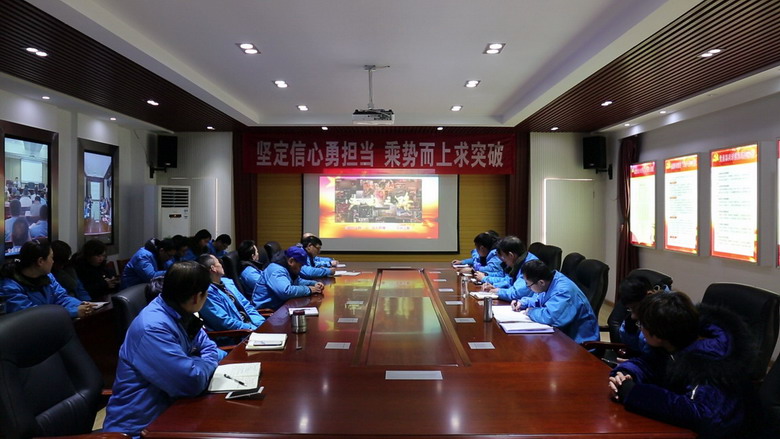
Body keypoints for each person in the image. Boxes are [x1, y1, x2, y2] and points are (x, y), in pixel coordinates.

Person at [103, 261, 226, 437]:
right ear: (196, 298)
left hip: (175, 412)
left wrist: (198, 362)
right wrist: (205, 362)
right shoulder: (152, 328)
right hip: (140, 429)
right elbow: (191, 382)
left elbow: (207, 346)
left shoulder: (180, 311)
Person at [608, 291, 754, 438]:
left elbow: (702, 414)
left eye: (641, 325)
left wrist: (635, 393)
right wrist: (626, 374)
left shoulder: (709, 362)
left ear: (657, 336)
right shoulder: (675, 340)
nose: (639, 327)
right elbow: (650, 363)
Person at [511, 259, 599, 344]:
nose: (527, 287)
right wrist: (523, 302)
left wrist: (530, 312)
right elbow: (539, 299)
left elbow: (551, 317)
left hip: (580, 344)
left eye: (528, 284)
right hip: (563, 336)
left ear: (541, 282)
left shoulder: (564, 291)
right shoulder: (549, 281)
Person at [0, 239, 93, 318]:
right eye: (51, 257)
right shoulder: (9, 287)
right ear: (40, 261)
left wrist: (81, 305)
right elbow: (31, 316)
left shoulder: (48, 276)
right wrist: (72, 312)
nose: (53, 261)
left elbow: (61, 297)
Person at [197, 254, 265, 331]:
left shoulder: (227, 283)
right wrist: (253, 329)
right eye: (218, 262)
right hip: (239, 334)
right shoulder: (208, 293)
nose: (221, 264)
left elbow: (246, 305)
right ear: (213, 268)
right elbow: (225, 322)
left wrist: (262, 323)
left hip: (252, 327)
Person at [252, 246, 324, 310]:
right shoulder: (276, 270)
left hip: (279, 307)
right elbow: (286, 292)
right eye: (300, 266)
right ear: (291, 261)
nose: (300, 269)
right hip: (267, 311)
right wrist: (309, 289)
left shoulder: (286, 267)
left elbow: (297, 281)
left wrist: (314, 283)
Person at [480, 236, 538, 302]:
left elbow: (516, 294)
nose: (503, 261)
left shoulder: (530, 266)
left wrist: (497, 291)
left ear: (511, 255)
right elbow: (510, 281)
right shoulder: (521, 261)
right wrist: (495, 286)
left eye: (504, 257)